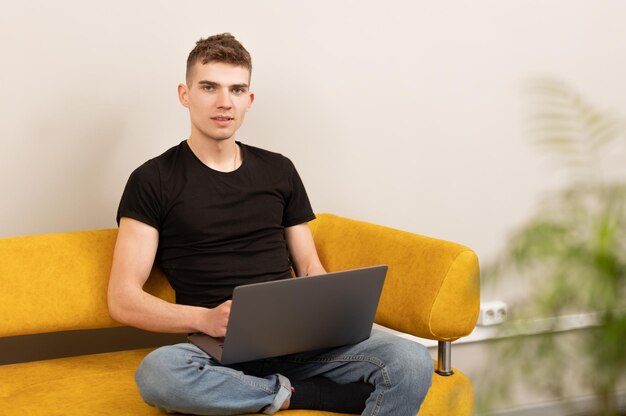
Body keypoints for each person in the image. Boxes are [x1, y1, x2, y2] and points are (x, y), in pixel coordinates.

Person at [107, 33, 433, 416]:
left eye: (236, 89)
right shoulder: (152, 180)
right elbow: (122, 299)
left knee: (411, 360)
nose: (224, 102)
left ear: (249, 99)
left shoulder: (279, 169)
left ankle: (273, 391)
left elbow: (309, 266)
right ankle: (305, 394)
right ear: (185, 94)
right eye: (209, 87)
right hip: (217, 352)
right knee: (159, 374)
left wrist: (330, 312)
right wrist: (205, 318)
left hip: (299, 342)